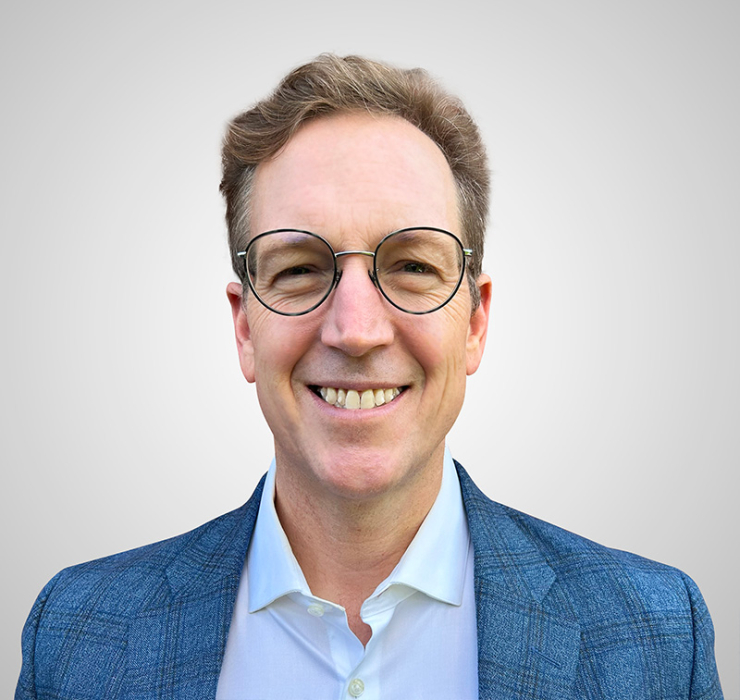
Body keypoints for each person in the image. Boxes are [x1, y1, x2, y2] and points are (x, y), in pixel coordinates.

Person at [16, 54, 723, 700]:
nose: (355, 330)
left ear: (474, 323)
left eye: (412, 266)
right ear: (245, 329)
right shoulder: (78, 637)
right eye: (300, 269)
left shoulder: (658, 638)